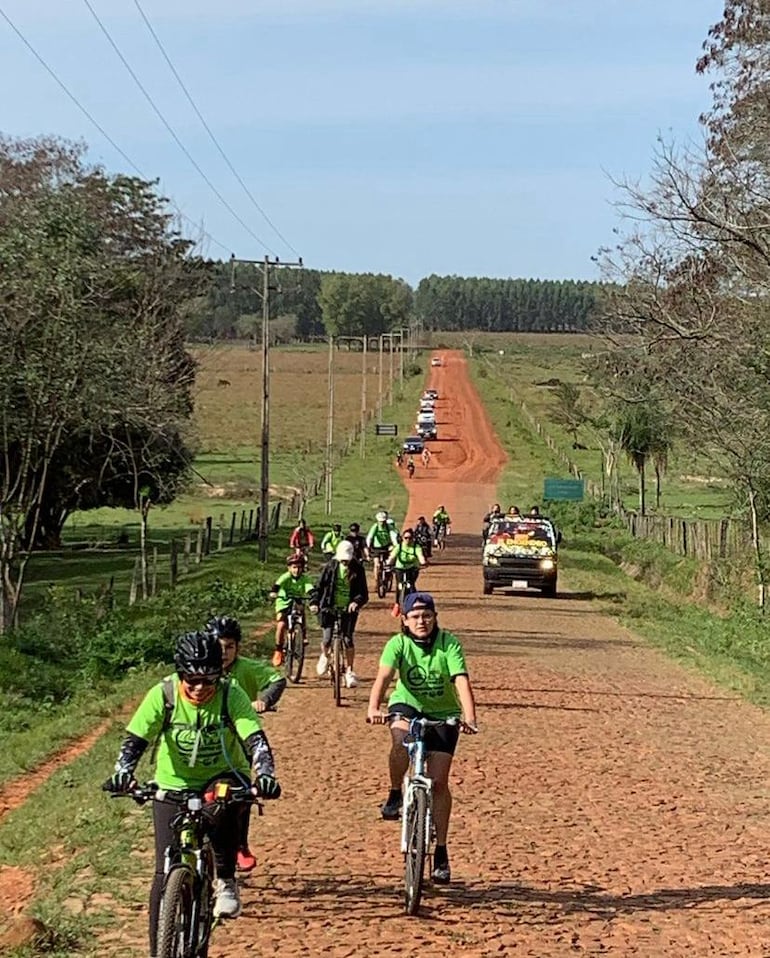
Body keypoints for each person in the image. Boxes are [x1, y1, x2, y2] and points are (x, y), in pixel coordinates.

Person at [103, 631, 281, 953]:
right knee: (163, 868)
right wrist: (123, 772)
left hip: (222, 774)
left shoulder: (231, 694)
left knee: (226, 803)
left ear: (220, 675)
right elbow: (135, 740)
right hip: (173, 781)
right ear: (180, 673)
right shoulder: (164, 694)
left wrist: (265, 774)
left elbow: (254, 738)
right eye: (192, 679)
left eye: (209, 680)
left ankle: (225, 878)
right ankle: (159, 948)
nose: (200, 688)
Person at [367, 592, 478, 885]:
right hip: (407, 705)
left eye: (427, 616)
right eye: (415, 617)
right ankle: (395, 792)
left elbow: (461, 680)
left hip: (444, 712)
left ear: (435, 618)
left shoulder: (449, 643)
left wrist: (469, 717)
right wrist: (373, 707)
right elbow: (384, 678)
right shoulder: (398, 644)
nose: (421, 621)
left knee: (439, 782)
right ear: (404, 620)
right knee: (400, 741)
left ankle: (440, 850)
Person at [205, 615, 287, 872]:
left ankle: (239, 843)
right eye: (219, 646)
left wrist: (264, 700)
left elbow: (277, 679)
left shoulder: (247, 668)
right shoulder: (200, 671)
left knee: (239, 795)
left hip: (238, 745)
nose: (224, 652)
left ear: (238, 648)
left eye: (230, 646)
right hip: (203, 743)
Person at [314, 539, 369, 688]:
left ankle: (349, 670)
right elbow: (319, 586)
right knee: (326, 639)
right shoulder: (330, 567)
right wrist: (315, 603)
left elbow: (363, 593)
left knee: (347, 639)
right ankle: (326, 656)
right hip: (329, 607)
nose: (345, 563)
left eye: (347, 561)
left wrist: (356, 602)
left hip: (348, 610)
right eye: (342, 560)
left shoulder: (358, 569)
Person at [268, 553, 318, 666]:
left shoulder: (305, 579)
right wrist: (273, 592)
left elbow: (310, 589)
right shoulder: (286, 577)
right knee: (281, 625)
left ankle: (302, 634)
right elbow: (277, 585)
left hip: (297, 600)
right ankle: (278, 650)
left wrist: (313, 599)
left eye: (299, 567)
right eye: (294, 567)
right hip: (284, 602)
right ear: (289, 568)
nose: (297, 570)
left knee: (301, 611)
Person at [386, 526, 427, 616]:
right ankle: (397, 604)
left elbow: (420, 556)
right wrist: (388, 563)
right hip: (400, 568)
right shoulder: (399, 546)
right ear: (402, 538)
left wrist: (423, 562)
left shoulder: (416, 547)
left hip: (413, 568)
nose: (408, 540)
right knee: (399, 585)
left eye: (410, 538)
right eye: (406, 538)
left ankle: (414, 602)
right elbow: (392, 556)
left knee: (411, 585)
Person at [366, 510, 399, 584]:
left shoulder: (389, 527)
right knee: (377, 564)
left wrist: (395, 546)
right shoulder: (375, 526)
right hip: (377, 547)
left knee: (390, 559)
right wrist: (368, 547)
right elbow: (370, 537)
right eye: (380, 521)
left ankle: (389, 571)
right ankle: (376, 580)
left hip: (386, 546)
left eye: (383, 521)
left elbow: (393, 536)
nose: (382, 523)